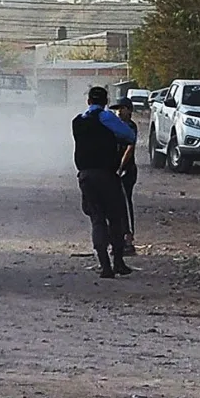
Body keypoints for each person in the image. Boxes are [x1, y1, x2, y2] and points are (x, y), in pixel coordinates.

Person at [72, 87, 137, 278]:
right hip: (107, 174)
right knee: (115, 218)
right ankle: (118, 261)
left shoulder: (78, 121)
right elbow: (129, 136)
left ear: (88, 101)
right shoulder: (107, 118)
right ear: (106, 101)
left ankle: (104, 265)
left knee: (97, 219)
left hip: (85, 176)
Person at [109, 97, 138, 256]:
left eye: (122, 108)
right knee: (114, 205)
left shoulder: (130, 127)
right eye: (117, 109)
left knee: (126, 203)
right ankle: (116, 239)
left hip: (127, 170)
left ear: (129, 110)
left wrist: (120, 166)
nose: (119, 112)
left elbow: (130, 148)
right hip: (115, 170)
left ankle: (128, 239)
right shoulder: (115, 127)